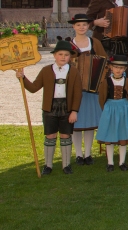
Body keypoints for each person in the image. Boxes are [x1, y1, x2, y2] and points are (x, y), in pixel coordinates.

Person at [16, 40, 82, 175]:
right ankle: (48, 165)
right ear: (54, 55)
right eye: (60, 54)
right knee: (50, 135)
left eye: (66, 55)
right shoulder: (46, 70)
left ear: (70, 57)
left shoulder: (74, 72)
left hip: (67, 108)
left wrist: (74, 111)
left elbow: (77, 93)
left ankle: (66, 165)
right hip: (50, 108)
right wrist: (22, 78)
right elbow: (34, 88)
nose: (63, 57)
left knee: (65, 135)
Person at [69, 14, 107, 166]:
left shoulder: (94, 42)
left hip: (92, 88)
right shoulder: (69, 44)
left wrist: (100, 79)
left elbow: (104, 61)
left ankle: (88, 153)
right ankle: (78, 154)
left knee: (89, 122)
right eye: (78, 25)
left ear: (88, 26)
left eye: (84, 25)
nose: (81, 27)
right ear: (74, 27)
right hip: (74, 89)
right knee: (76, 123)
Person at [95, 55, 128, 172]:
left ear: (125, 69)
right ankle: (110, 162)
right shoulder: (106, 82)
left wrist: (126, 107)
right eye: (116, 67)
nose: (118, 70)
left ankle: (122, 162)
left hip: (123, 110)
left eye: (121, 68)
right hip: (110, 110)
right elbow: (102, 98)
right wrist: (107, 109)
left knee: (123, 134)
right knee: (110, 134)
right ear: (111, 67)